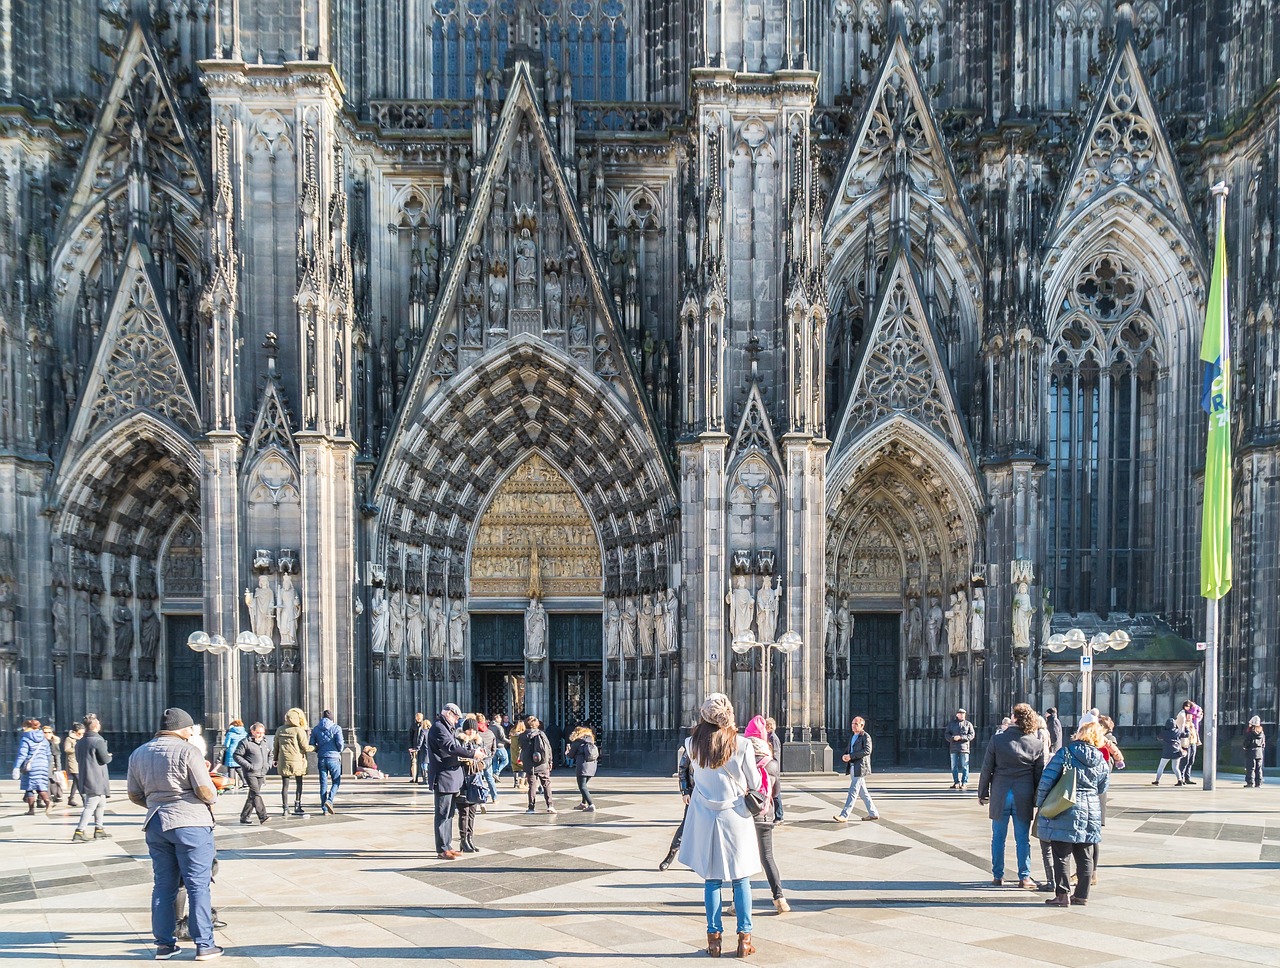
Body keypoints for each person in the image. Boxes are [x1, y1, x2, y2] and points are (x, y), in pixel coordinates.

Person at [126, 707, 223, 961]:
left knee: (163, 886)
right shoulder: (188, 750)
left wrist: (158, 802)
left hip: (156, 823)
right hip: (190, 823)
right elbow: (205, 790)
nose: (193, 732)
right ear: (184, 728)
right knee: (197, 886)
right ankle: (205, 944)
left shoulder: (139, 752)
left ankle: (164, 945)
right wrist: (214, 794)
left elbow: (134, 794)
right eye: (191, 728)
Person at [677, 694, 761, 958]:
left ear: (704, 715)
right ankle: (744, 940)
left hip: (704, 816)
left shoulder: (692, 744)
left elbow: (688, 776)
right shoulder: (743, 744)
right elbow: (755, 784)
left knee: (712, 880)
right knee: (741, 878)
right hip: (735, 815)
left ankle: (714, 941)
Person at [1035, 720, 1110, 908]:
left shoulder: (1065, 753)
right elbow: (1103, 787)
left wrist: (1041, 804)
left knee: (1061, 854)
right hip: (1090, 809)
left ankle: (1062, 895)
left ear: (1080, 734)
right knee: (1085, 854)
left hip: (1064, 807)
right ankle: (1082, 896)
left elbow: (1047, 779)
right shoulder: (1101, 759)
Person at [977, 702, 1043, 889]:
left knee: (998, 837)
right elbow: (1039, 774)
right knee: (1022, 838)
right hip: (1024, 794)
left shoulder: (997, 740)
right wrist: (1038, 798)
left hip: (1001, 792)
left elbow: (986, 768)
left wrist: (983, 793)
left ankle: (998, 875)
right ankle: (1025, 877)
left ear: (1014, 718)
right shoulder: (1036, 743)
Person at [428, 702, 485, 859]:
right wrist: (472, 753)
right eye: (456, 717)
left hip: (451, 778)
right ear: (448, 714)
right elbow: (450, 747)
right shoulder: (439, 727)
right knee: (442, 814)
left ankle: (447, 845)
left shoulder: (446, 727)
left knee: (449, 815)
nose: (457, 720)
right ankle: (441, 849)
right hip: (444, 777)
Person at [744, 715, 789, 913]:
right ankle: (780, 899)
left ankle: (738, 904)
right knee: (768, 857)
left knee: (743, 859)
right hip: (766, 814)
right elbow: (777, 792)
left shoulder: (742, 760)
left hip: (745, 815)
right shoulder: (772, 762)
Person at [72, 713, 113, 842]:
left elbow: (78, 759)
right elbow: (105, 759)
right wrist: (109, 755)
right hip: (97, 777)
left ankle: (99, 829)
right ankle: (79, 831)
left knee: (101, 804)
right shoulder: (98, 740)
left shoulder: (81, 742)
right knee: (90, 805)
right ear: (96, 726)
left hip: (87, 774)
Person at [833, 716, 879, 822]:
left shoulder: (865, 736)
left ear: (862, 725)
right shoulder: (853, 736)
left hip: (860, 767)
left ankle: (844, 815)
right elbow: (849, 749)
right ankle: (873, 813)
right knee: (863, 793)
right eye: (853, 724)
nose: (853, 726)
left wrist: (851, 756)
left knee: (852, 791)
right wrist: (845, 755)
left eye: (856, 724)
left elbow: (867, 751)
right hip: (853, 766)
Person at [660, 743, 695, 872]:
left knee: (705, 829)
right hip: (693, 793)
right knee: (685, 826)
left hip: (710, 794)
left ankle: (697, 861)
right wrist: (685, 791)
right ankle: (670, 856)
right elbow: (683, 769)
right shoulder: (693, 744)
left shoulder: (718, 744)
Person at [274, 708, 314, 816]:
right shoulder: (299, 730)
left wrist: (275, 759)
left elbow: (276, 747)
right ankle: (298, 805)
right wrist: (315, 748)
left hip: (284, 760)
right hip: (297, 761)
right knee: (299, 783)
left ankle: (285, 808)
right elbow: (305, 747)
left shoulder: (280, 730)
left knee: (285, 785)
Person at [455, 718, 486, 852]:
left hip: (474, 780)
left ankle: (470, 838)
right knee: (464, 812)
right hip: (462, 781)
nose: (472, 731)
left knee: (472, 811)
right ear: (464, 729)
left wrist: (482, 760)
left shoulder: (477, 741)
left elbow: (487, 756)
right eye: (469, 729)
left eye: (474, 729)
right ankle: (463, 840)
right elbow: (456, 757)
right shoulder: (459, 741)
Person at [11, 718, 52, 815]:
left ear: (27, 727)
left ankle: (31, 809)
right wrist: (46, 764)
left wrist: (16, 767)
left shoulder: (26, 738)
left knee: (29, 787)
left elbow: (22, 754)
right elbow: (48, 754)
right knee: (41, 785)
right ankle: (48, 802)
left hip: (31, 765)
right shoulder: (43, 738)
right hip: (43, 765)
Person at [233, 722, 271, 825]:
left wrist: (268, 764)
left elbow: (270, 754)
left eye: (262, 733)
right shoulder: (245, 742)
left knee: (252, 795)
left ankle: (244, 817)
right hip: (251, 773)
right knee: (256, 794)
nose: (260, 735)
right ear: (252, 731)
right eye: (258, 732)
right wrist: (248, 766)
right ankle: (263, 816)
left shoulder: (264, 742)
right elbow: (236, 755)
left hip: (261, 772)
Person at [310, 709, 345, 815]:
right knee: (336, 781)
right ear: (332, 718)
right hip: (334, 758)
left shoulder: (316, 729)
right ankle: (329, 800)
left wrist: (320, 749)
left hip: (322, 758)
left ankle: (324, 809)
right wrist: (339, 750)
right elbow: (340, 744)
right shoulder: (336, 728)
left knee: (323, 783)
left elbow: (312, 744)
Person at [522, 715, 555, 813]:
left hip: (529, 764)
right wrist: (550, 761)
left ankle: (531, 807)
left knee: (532, 786)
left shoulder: (522, 736)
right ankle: (550, 805)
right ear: (536, 724)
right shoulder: (541, 734)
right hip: (542, 763)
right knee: (546, 784)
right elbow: (548, 748)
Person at [566, 725, 599, 812]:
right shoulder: (590, 741)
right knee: (584, 785)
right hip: (592, 766)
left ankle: (591, 804)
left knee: (582, 786)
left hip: (583, 766)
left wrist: (567, 751)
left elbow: (570, 755)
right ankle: (583, 804)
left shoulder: (577, 742)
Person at [945, 709, 976, 789]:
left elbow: (971, 735)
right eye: (960, 714)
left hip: (964, 748)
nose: (962, 715)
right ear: (957, 715)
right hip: (954, 747)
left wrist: (961, 738)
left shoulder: (968, 724)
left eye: (963, 714)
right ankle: (956, 782)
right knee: (954, 766)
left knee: (965, 766)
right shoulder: (951, 724)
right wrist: (952, 738)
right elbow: (946, 734)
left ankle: (964, 782)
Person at [1153, 716, 1187, 786]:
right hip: (1177, 752)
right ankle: (1180, 780)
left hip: (1166, 752)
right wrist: (1186, 728)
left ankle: (1157, 780)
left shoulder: (1164, 732)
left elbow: (1158, 737)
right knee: (1175, 768)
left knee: (1161, 767)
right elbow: (1186, 735)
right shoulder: (1178, 731)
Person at [764, 717, 784, 824]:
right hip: (771, 768)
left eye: (766, 725)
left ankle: (779, 816)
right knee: (772, 792)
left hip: (773, 769)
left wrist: (773, 767)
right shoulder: (769, 737)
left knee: (776, 793)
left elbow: (775, 755)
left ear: (770, 726)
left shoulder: (773, 738)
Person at [476, 714, 497, 807]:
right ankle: (494, 797)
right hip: (488, 758)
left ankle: (481, 798)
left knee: (478, 779)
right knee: (489, 778)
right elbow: (494, 747)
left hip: (478, 759)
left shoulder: (475, 733)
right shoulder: (490, 732)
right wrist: (490, 756)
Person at [1176, 703, 1200, 784]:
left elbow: (1199, 712)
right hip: (1186, 744)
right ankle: (1181, 778)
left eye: (1191, 715)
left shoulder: (1192, 724)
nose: (1190, 717)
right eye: (1188, 715)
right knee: (1184, 761)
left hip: (1193, 743)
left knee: (1191, 761)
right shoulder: (1183, 723)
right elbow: (1179, 722)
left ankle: (1187, 778)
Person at [220, 720, 247, 790]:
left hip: (231, 751)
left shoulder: (230, 733)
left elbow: (227, 744)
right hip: (241, 751)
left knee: (231, 768)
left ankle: (231, 784)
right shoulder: (245, 733)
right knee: (239, 767)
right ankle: (245, 782)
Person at [64, 722, 85, 808]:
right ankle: (84, 799)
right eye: (79, 733)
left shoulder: (83, 739)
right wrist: (76, 748)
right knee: (79, 780)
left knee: (76, 782)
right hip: (73, 762)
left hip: (80, 761)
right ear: (75, 732)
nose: (81, 735)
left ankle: (71, 798)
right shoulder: (69, 739)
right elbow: (67, 749)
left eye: (83, 733)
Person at [487, 712, 510, 789]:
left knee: (495, 762)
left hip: (492, 746)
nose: (501, 719)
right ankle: (496, 773)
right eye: (500, 718)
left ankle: (495, 777)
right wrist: (509, 741)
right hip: (500, 746)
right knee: (505, 760)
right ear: (497, 719)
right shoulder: (499, 727)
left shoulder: (490, 726)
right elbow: (502, 737)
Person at [43, 724, 64, 802]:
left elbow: (57, 756)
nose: (47, 734)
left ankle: (54, 796)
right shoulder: (40, 742)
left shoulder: (54, 743)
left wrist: (58, 768)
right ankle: (46, 798)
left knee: (52, 781)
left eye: (49, 732)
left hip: (51, 765)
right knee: (46, 782)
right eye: (45, 732)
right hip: (42, 765)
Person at [1243, 716, 1266, 787]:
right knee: (1259, 768)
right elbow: (1263, 743)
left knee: (1250, 768)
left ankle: (1250, 782)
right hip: (1259, 752)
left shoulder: (1250, 732)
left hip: (1251, 752)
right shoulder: (1262, 733)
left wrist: (1245, 746)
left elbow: (1247, 742)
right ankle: (1258, 783)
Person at [408, 712, 426, 783]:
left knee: (423, 762)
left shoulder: (424, 725)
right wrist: (410, 746)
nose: (418, 718)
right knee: (414, 762)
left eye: (420, 717)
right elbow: (410, 737)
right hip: (415, 747)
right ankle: (414, 778)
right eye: (417, 717)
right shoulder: (413, 726)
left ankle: (424, 777)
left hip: (423, 747)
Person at [509, 719, 527, 789]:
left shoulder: (512, 733)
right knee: (524, 767)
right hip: (521, 753)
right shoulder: (522, 735)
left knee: (515, 768)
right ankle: (522, 782)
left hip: (513, 752)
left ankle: (516, 783)